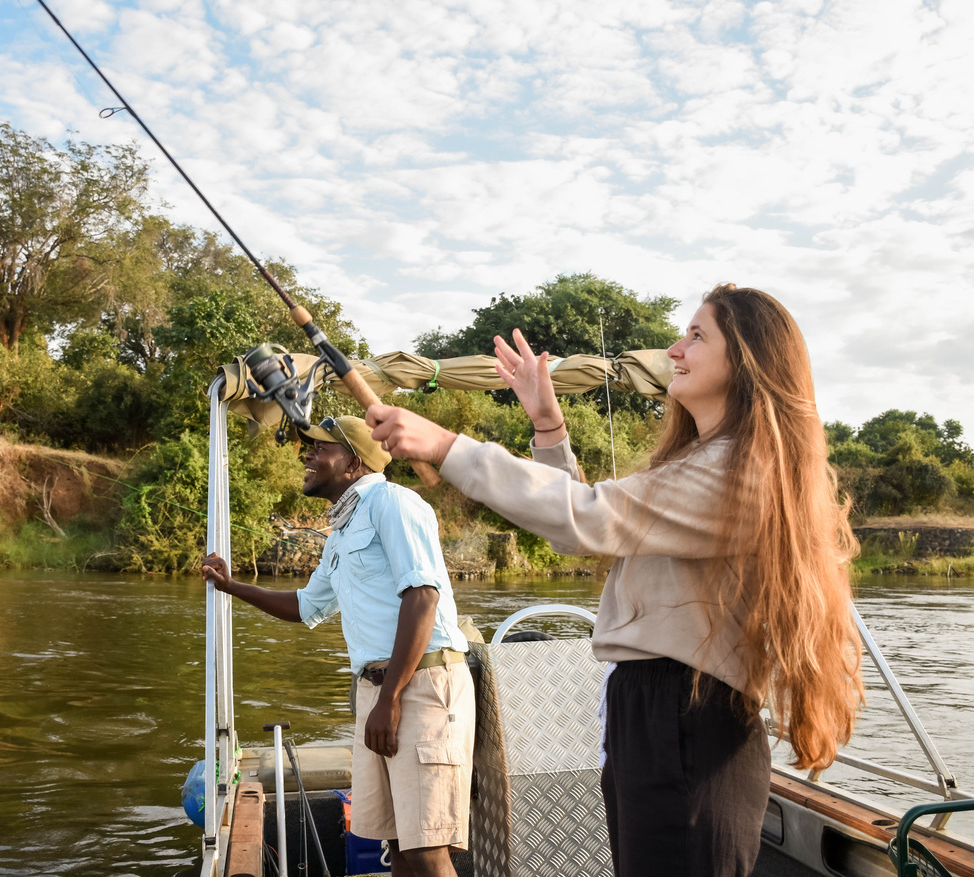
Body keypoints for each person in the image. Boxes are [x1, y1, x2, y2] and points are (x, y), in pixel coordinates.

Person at [366, 284, 863, 877]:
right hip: (653, 710)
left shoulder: (739, 473)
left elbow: (590, 518)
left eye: (697, 336)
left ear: (749, 361)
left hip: (687, 714)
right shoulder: (708, 463)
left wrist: (448, 447)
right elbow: (584, 519)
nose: (674, 350)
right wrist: (548, 427)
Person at [201, 415, 474, 877]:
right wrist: (232, 587)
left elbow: (422, 596)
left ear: (353, 460)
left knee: (427, 848)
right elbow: (307, 606)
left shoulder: (394, 504)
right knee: (398, 844)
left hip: (422, 685)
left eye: (320, 448)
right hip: (379, 690)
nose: (307, 455)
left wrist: (389, 699)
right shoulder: (342, 530)